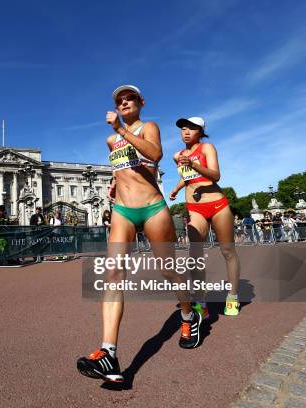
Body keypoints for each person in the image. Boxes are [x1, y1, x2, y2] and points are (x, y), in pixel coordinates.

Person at [77, 85, 200, 384]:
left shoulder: (149, 126)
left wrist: (121, 129)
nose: (124, 102)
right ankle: (109, 354)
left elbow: (154, 155)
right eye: (119, 100)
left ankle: (188, 314)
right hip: (122, 211)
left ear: (141, 102)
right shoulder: (110, 140)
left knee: (167, 271)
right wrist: (114, 182)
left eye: (129, 98)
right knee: (114, 275)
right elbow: (122, 165)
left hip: (153, 208)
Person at [169, 116, 240, 318]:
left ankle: (233, 296)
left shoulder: (207, 148)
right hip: (195, 208)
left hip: (217, 204)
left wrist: (193, 164)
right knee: (195, 255)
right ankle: (201, 301)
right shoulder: (178, 155)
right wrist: (175, 189)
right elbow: (187, 177)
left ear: (200, 132)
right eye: (183, 129)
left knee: (227, 251)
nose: (186, 132)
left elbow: (215, 175)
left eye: (192, 129)